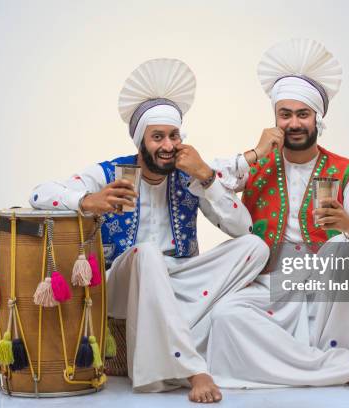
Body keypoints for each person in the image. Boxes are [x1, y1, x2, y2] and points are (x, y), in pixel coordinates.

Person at [29, 58, 270, 403]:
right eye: (158, 137)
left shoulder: (190, 175)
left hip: (179, 279)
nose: (167, 145)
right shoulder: (110, 172)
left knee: (256, 247)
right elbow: (39, 193)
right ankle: (193, 369)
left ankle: (171, 329)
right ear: (141, 141)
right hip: (124, 281)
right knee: (149, 254)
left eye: (174, 136)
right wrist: (87, 200)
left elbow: (242, 227)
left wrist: (206, 177)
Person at [207, 39, 349, 388]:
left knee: (348, 251)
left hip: (325, 280)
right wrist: (254, 153)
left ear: (317, 119)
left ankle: (335, 358)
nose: (293, 123)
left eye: (302, 114)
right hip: (272, 281)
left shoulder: (346, 170)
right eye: (285, 114)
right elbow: (206, 177)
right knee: (225, 316)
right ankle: (333, 368)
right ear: (274, 119)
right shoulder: (258, 164)